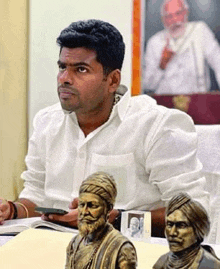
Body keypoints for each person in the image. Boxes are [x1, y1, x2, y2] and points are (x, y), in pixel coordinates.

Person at [0, 19, 209, 237]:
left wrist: (117, 219)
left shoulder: (155, 126)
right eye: (62, 67)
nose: (64, 79)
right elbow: (35, 196)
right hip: (54, 249)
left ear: (112, 80)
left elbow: (195, 214)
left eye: (80, 69)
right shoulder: (46, 122)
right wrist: (13, 209)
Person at [142, 0, 220, 95]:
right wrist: (162, 65)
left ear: (186, 13)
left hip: (197, 101)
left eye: (178, 13)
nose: (175, 20)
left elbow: (218, 62)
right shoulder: (154, 42)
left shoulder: (200, 31)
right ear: (163, 20)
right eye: (169, 16)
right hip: (165, 104)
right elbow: (147, 85)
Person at [65, 171, 137, 269]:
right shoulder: (75, 244)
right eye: (82, 205)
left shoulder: (122, 250)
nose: (85, 211)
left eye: (93, 206)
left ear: (108, 209)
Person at [153, 193, 220, 269]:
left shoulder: (212, 265)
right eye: (170, 224)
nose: (172, 233)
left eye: (181, 225)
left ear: (197, 230)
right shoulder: (161, 262)